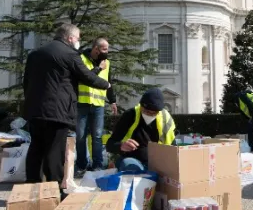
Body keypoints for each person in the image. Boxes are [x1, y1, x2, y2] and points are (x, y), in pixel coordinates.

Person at [23, 23, 111, 187]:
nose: (78, 41)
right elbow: (86, 76)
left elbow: (26, 82)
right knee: (54, 151)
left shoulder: (35, 54)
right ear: (70, 38)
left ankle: (31, 185)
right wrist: (106, 85)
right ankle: (54, 188)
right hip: (57, 111)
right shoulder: (70, 54)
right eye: (77, 38)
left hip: (35, 110)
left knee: (36, 147)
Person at [105, 88, 176, 171]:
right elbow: (110, 145)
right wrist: (121, 146)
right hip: (133, 160)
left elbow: (173, 148)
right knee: (129, 165)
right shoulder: (130, 115)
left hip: (157, 163)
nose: (150, 115)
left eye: (154, 113)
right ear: (141, 106)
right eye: (146, 111)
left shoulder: (165, 119)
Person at [76, 38, 118, 173]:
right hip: (82, 103)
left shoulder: (107, 63)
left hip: (98, 104)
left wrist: (112, 101)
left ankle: (98, 166)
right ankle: (82, 165)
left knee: (97, 136)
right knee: (80, 136)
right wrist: (99, 68)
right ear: (96, 49)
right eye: (105, 49)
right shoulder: (81, 59)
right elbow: (85, 77)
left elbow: (108, 82)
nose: (107, 52)